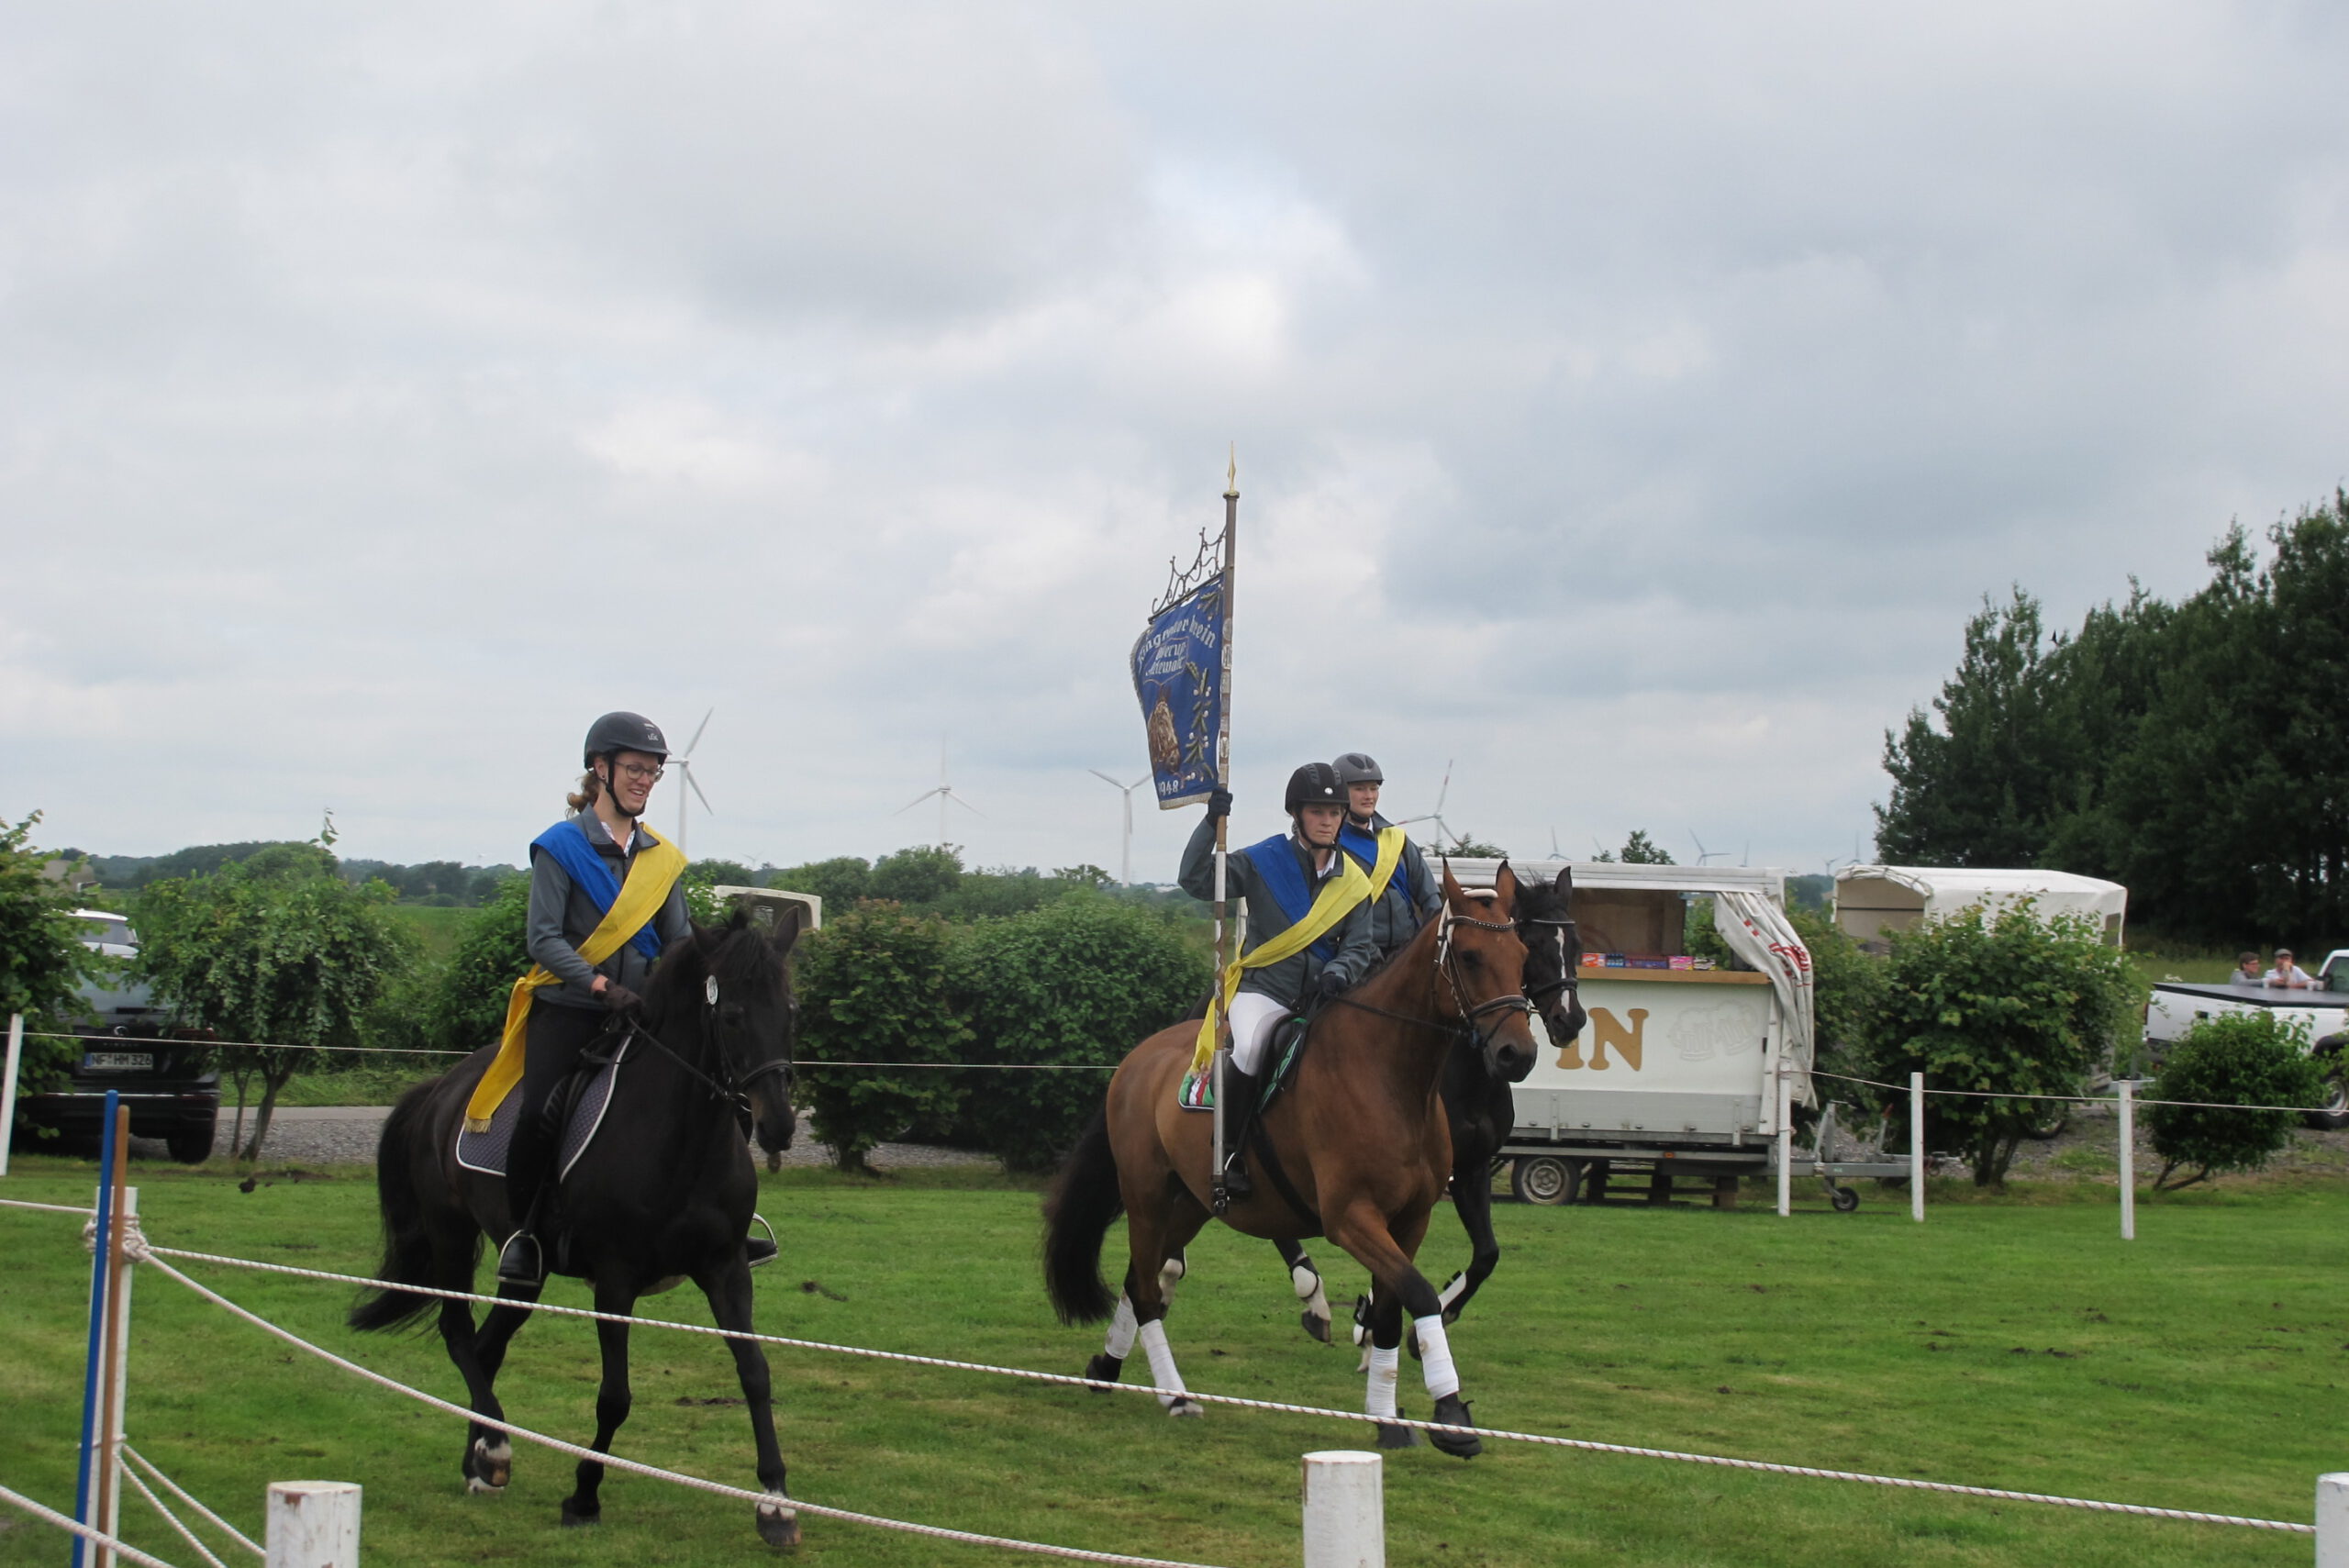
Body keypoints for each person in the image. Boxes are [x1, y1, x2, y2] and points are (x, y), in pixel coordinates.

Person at [495, 712, 775, 1282]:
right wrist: (600, 985)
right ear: (601, 768)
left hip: (643, 1012)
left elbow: (678, 942)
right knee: (538, 1112)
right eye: (634, 769)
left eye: (652, 772)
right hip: (570, 1009)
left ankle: (727, 1221)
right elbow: (543, 939)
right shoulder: (558, 848)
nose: (645, 781)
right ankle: (525, 1235)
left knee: (724, 1095)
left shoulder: (661, 859)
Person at [1179, 762, 1381, 1202]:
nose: (1327, 821)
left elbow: (1360, 946)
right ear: (1297, 815)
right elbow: (1195, 879)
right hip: (1264, 993)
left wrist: (1340, 971)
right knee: (1251, 1048)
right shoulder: (1262, 861)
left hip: (1324, 998)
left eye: (1334, 812)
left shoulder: (1355, 882)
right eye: (1317, 812)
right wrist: (1211, 824)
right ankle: (1229, 1154)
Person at [1330, 752, 1440, 956]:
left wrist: (1431, 942)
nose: (1369, 796)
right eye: (1359, 789)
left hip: (1406, 952)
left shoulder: (1397, 839)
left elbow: (1429, 896)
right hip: (1358, 955)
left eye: (1374, 788)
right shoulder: (1331, 844)